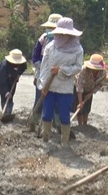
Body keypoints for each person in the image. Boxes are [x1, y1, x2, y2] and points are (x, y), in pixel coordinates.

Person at [37, 17, 83, 146]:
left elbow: (78, 67)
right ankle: (46, 138)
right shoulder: (51, 47)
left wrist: (62, 70)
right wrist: (43, 85)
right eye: (60, 33)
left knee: (64, 116)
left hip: (65, 87)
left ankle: (64, 142)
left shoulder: (77, 49)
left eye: (65, 33)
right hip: (50, 86)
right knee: (47, 114)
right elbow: (44, 67)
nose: (62, 35)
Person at [29, 13, 64, 135]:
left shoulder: (65, 42)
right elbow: (35, 58)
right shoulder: (43, 38)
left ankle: (58, 125)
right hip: (42, 75)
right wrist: (42, 71)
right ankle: (33, 123)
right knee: (39, 99)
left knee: (57, 102)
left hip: (58, 76)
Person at [71, 54, 107, 126]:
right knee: (79, 108)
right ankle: (80, 125)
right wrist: (80, 102)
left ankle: (85, 124)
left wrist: (91, 93)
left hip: (90, 90)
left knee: (86, 108)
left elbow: (100, 84)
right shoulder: (84, 70)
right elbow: (79, 86)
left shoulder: (103, 73)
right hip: (78, 89)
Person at [0, 49, 27, 115]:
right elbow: (1, 81)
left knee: (11, 95)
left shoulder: (22, 63)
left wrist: (18, 75)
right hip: (1, 80)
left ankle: (9, 112)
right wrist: (6, 92)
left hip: (13, 79)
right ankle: (5, 112)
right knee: (5, 96)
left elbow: (23, 68)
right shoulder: (4, 65)